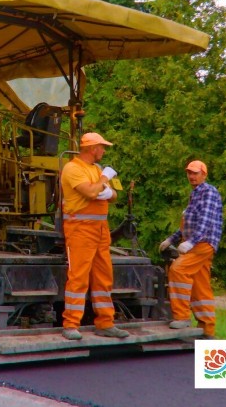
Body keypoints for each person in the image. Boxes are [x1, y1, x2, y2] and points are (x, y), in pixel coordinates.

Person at [59, 132, 129, 340]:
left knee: (103, 277)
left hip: (100, 229)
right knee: (78, 278)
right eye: (102, 147)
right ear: (92, 148)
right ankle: (70, 325)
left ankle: (105, 323)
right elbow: (90, 193)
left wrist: (107, 192)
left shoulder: (96, 169)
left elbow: (114, 195)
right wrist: (104, 180)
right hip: (80, 229)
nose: (104, 150)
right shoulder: (73, 169)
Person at [159, 160, 222, 339]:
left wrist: (190, 242)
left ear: (204, 174)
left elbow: (205, 222)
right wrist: (171, 239)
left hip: (202, 243)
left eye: (195, 173)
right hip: (197, 243)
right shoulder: (196, 194)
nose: (192, 176)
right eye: (189, 173)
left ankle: (182, 317)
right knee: (201, 287)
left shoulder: (209, 192)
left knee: (178, 270)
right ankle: (207, 329)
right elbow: (189, 224)